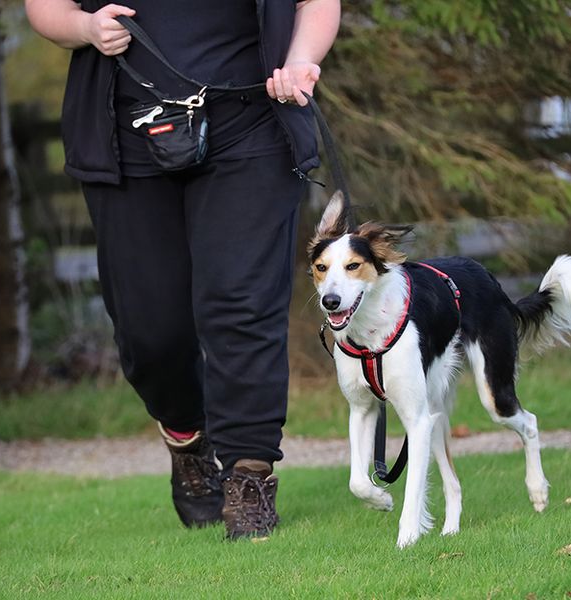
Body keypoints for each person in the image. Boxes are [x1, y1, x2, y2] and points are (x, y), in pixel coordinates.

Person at [25, 0, 341, 539]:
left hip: (252, 126)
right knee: (152, 330)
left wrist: (300, 60)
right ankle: (186, 434)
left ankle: (249, 478)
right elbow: (45, 8)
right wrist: (83, 27)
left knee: (241, 303)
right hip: (127, 139)